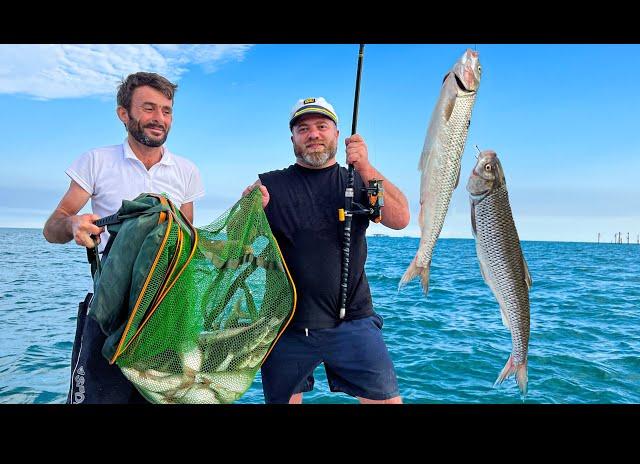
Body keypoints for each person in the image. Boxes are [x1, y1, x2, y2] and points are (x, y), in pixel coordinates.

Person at [43, 72, 205, 404]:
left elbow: (187, 244)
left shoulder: (186, 170)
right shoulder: (96, 161)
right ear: (123, 113)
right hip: (110, 312)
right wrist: (74, 223)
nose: (159, 119)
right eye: (148, 108)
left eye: (166, 110)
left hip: (167, 314)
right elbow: (52, 228)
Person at [243, 97, 410, 404]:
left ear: (337, 134)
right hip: (286, 325)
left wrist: (365, 166)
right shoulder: (269, 185)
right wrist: (249, 211)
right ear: (292, 138)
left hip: (354, 322)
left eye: (322, 126)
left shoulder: (358, 180)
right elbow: (239, 247)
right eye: (303, 128)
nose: (314, 134)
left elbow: (400, 219)